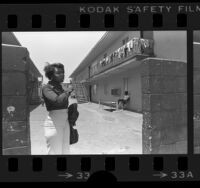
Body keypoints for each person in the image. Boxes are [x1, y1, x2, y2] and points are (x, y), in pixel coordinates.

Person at [42, 63, 73, 155]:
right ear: (51, 75)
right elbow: (57, 101)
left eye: (63, 72)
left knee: (65, 149)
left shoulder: (61, 87)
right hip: (54, 121)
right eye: (58, 73)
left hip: (65, 120)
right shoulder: (46, 88)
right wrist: (68, 91)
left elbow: (63, 103)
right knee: (55, 152)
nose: (62, 74)